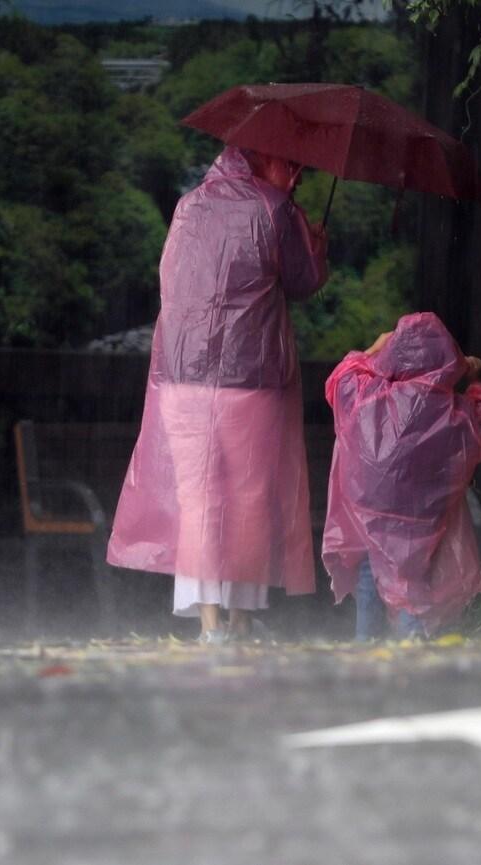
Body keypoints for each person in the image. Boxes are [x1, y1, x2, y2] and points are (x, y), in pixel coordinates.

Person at [107, 145, 329, 644]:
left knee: (199, 501)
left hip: (183, 374)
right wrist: (315, 246)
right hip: (249, 376)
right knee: (250, 500)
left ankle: (210, 627)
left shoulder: (189, 205)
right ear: (263, 160)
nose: (297, 171)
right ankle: (241, 621)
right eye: (290, 162)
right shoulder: (275, 209)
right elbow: (302, 280)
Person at [322, 312, 481, 639]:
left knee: (369, 582)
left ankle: (365, 646)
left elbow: (340, 378)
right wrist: (475, 380)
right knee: (412, 587)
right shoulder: (454, 412)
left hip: (371, 518)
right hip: (423, 522)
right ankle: (410, 650)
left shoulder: (367, 398)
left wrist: (372, 349)